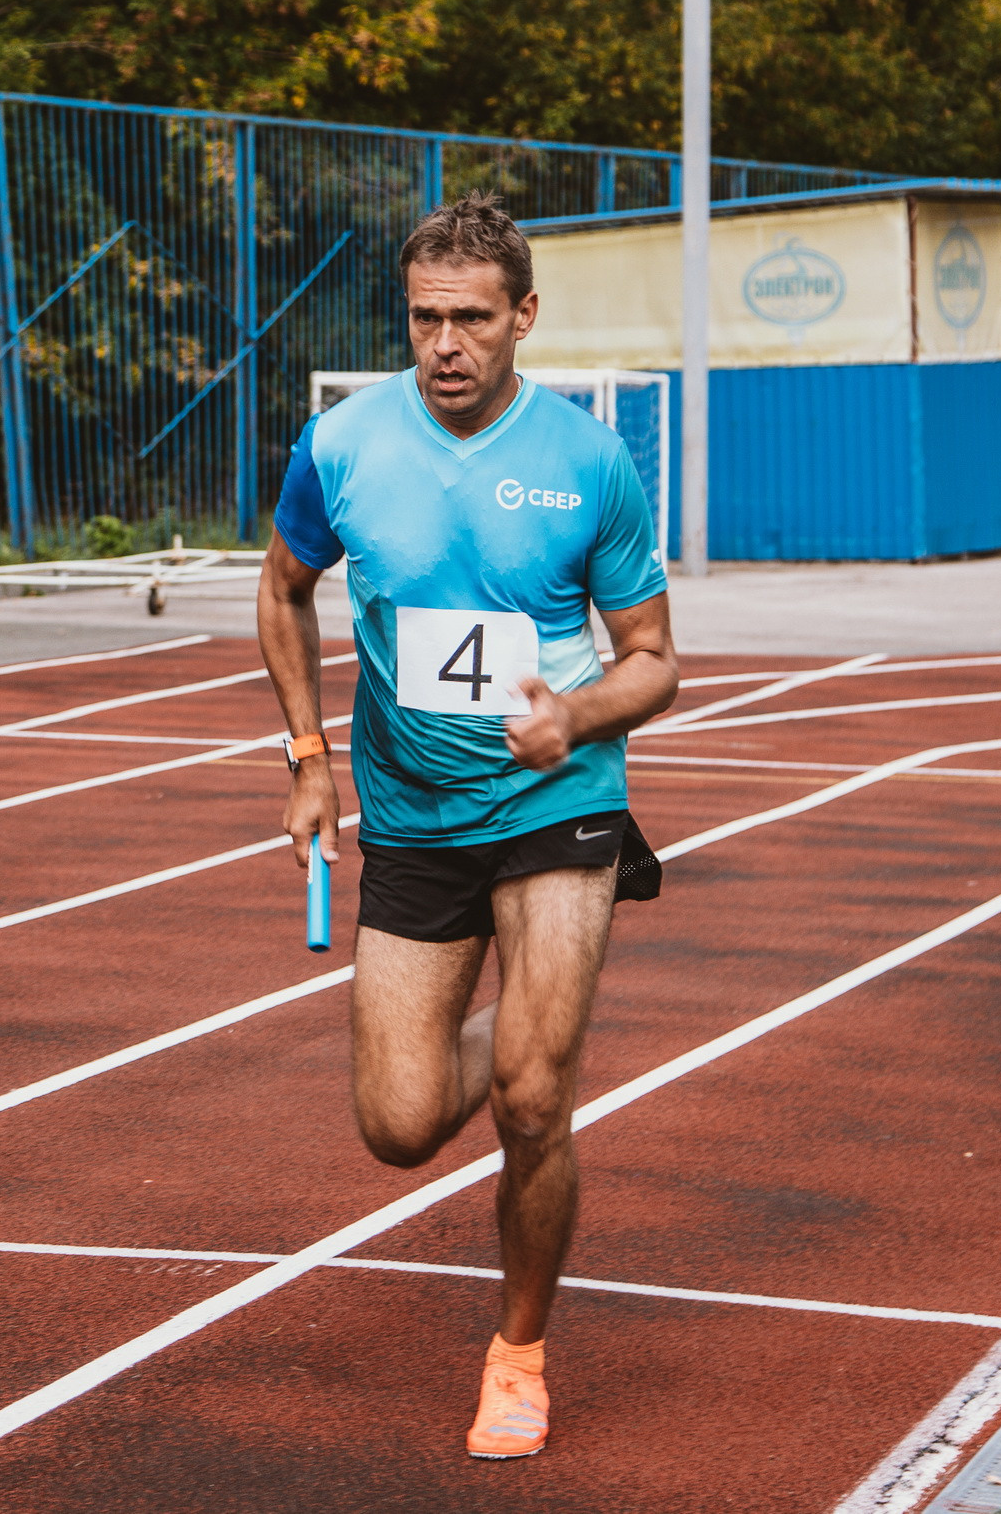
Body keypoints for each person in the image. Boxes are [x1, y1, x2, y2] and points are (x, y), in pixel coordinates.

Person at [256, 193, 677, 1461]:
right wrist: (307, 758)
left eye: (472, 320)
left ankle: (517, 1354)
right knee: (395, 1124)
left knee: (533, 1101)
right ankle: (529, 1024)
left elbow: (653, 658)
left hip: (558, 800)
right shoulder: (340, 444)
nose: (445, 344)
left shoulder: (589, 459)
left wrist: (575, 715)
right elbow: (282, 589)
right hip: (412, 811)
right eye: (424, 318)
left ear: (522, 317)